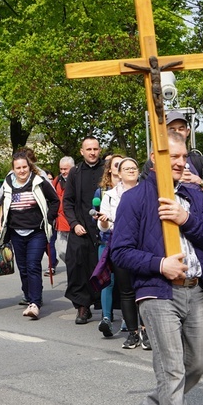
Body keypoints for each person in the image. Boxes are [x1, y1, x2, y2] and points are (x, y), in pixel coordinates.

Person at [110, 132, 203, 405]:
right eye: (173, 156)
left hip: (194, 289)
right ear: (153, 158)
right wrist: (160, 265)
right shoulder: (135, 199)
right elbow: (120, 252)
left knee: (198, 363)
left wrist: (185, 218)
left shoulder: (191, 195)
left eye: (184, 156)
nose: (181, 162)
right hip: (157, 292)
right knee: (171, 368)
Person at [0, 151, 59, 319]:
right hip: (16, 232)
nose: (22, 171)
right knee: (23, 267)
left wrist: (49, 218)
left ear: (29, 167)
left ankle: (35, 303)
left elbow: (55, 200)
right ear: (13, 169)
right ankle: (29, 294)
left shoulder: (39, 181)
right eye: (18, 168)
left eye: (25, 167)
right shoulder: (8, 183)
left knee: (33, 265)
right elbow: (1, 201)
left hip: (36, 232)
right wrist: (0, 222)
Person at [96, 157, 144, 347]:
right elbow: (103, 228)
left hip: (144, 246)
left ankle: (146, 331)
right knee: (126, 291)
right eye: (127, 168)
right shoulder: (110, 195)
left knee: (144, 290)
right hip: (121, 246)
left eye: (134, 167)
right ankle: (132, 332)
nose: (131, 171)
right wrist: (105, 221)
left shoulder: (147, 191)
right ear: (119, 173)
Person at [64, 137, 105, 324]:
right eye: (88, 149)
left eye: (95, 149)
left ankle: (106, 307)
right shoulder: (75, 172)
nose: (92, 152)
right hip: (81, 227)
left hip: (103, 227)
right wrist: (74, 224)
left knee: (102, 267)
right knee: (77, 266)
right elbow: (68, 202)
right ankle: (82, 307)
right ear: (82, 151)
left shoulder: (107, 169)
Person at [93, 154, 122, 337]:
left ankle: (129, 321)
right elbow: (98, 220)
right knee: (107, 282)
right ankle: (106, 319)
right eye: (116, 165)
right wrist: (103, 221)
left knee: (127, 284)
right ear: (110, 169)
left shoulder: (134, 190)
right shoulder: (102, 193)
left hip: (127, 244)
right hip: (106, 241)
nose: (120, 169)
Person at [50, 156, 75, 274]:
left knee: (74, 251)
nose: (63, 171)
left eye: (66, 169)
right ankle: (72, 266)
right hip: (60, 222)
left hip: (73, 222)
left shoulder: (77, 179)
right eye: (61, 169)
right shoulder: (57, 180)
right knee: (61, 251)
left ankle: (75, 271)